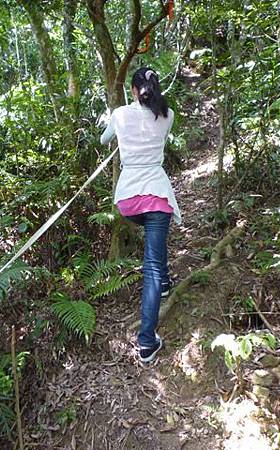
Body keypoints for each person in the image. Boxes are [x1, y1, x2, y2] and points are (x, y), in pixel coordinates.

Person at [100, 67, 181, 363]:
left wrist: (113, 122)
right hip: (157, 196)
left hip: (128, 201)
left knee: (154, 253)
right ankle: (146, 341)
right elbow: (155, 128)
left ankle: (165, 282)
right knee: (152, 265)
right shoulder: (167, 115)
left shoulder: (120, 115)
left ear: (133, 90)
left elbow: (103, 140)